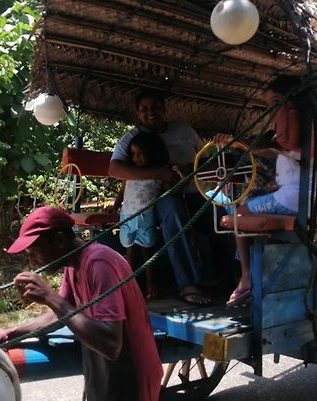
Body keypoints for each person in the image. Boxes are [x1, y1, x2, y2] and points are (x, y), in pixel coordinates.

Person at [0, 206, 163, 401]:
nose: (32, 261)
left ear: (60, 240)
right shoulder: (74, 265)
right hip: (106, 375)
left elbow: (111, 344)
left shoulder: (100, 263)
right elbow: (58, 315)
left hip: (131, 378)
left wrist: (49, 296)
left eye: (34, 251)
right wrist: (9, 333)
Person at [109, 88, 232, 305]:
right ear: (138, 113)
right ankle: (188, 283)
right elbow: (115, 169)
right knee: (173, 210)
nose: (150, 112)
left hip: (194, 192)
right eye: (144, 109)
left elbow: (206, 157)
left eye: (155, 107)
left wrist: (190, 169)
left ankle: (229, 279)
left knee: (220, 216)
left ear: (164, 110)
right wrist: (160, 173)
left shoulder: (183, 129)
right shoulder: (132, 137)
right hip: (155, 198)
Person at [213, 75, 310, 306]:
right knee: (254, 209)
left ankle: (246, 277)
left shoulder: (293, 125)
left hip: (293, 199)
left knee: (237, 215)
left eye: (275, 103)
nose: (271, 110)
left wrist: (235, 142)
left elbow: (266, 147)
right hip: (298, 196)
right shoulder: (306, 124)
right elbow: (276, 153)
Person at [108, 132, 171, 299]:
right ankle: (130, 286)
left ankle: (151, 285)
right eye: (133, 154)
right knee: (130, 253)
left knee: (147, 252)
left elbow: (169, 192)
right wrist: (114, 206)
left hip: (146, 217)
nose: (136, 158)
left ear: (152, 153)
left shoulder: (159, 173)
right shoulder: (130, 172)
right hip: (127, 216)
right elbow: (122, 191)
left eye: (140, 153)